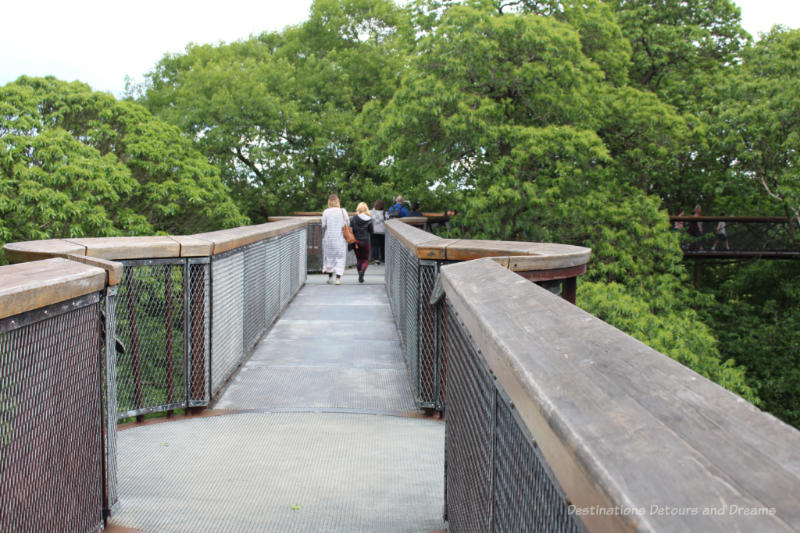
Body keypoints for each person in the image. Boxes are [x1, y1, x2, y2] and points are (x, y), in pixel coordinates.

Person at [321, 194, 349, 285]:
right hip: (340, 238)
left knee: (329, 258)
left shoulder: (326, 212)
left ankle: (330, 278)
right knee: (340, 258)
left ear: (329, 202)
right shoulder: (343, 211)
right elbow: (347, 222)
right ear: (338, 202)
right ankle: (338, 279)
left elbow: (323, 225)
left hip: (329, 239)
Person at [351, 202, 374, 283]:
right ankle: (362, 272)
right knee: (365, 259)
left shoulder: (354, 218)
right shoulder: (369, 219)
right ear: (366, 209)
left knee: (359, 259)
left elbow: (351, 230)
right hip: (365, 241)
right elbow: (371, 231)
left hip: (356, 242)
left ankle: (360, 273)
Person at [371, 199, 387, 264]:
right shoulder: (384, 212)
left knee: (375, 245)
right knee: (382, 245)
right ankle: (383, 258)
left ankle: (376, 259)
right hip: (382, 231)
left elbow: (370, 219)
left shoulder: (373, 212)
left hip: (374, 231)